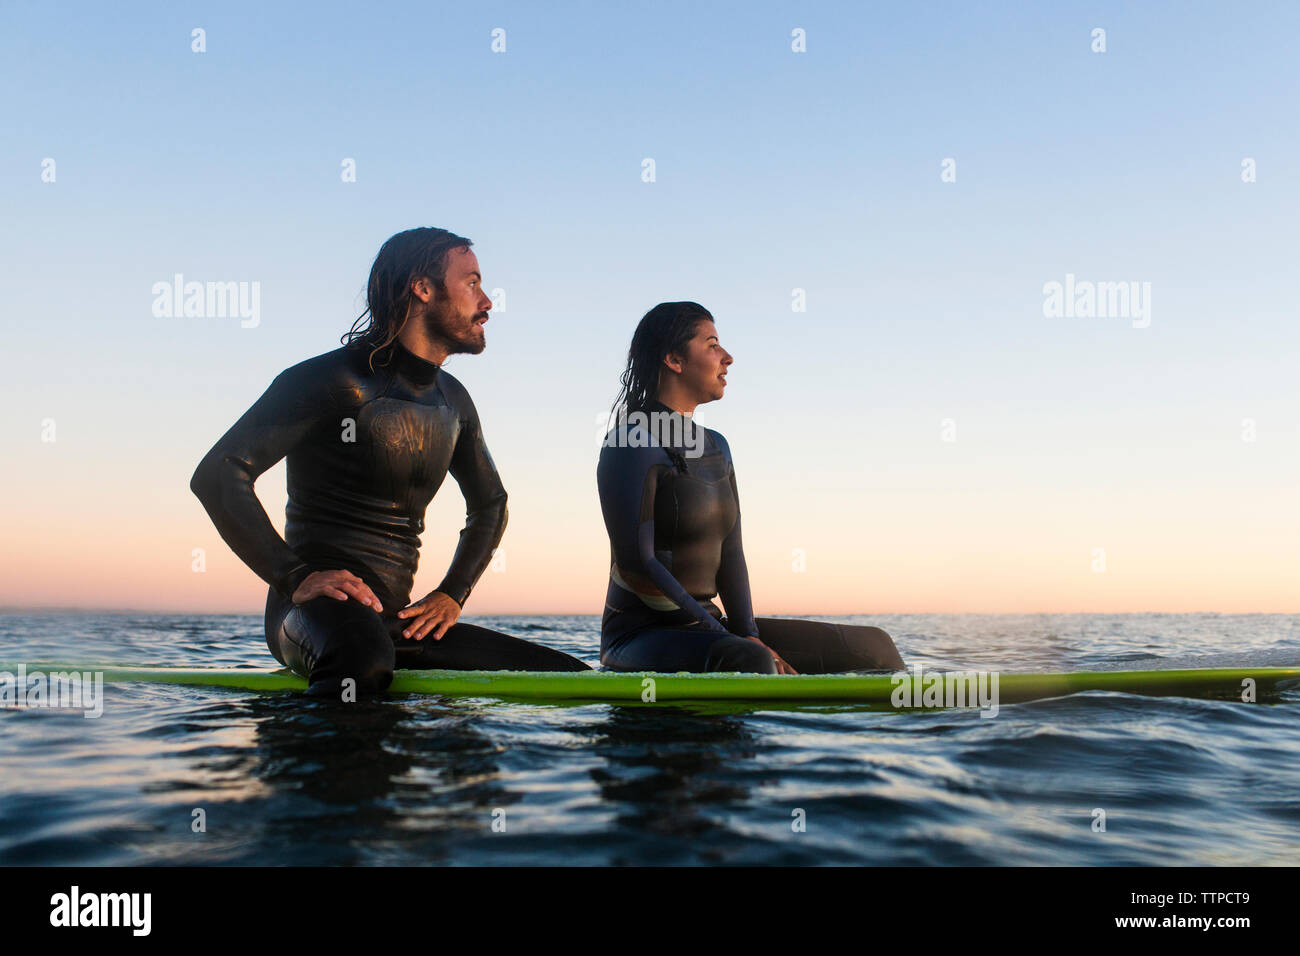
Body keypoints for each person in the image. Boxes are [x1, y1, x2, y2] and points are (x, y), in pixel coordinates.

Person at [191, 227, 590, 697]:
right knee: (360, 662)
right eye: (472, 283)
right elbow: (219, 472)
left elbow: (491, 505)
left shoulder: (454, 403)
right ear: (423, 289)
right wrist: (294, 576)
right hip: (315, 615)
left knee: (574, 682)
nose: (487, 302)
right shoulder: (335, 380)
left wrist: (451, 595)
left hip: (397, 626)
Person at [597, 302, 905, 675]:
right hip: (639, 638)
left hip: (710, 631)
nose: (727, 358)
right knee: (749, 660)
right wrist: (740, 642)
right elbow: (637, 566)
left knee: (873, 647)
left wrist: (748, 632)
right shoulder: (631, 443)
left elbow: (731, 551)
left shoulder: (716, 446)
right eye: (712, 345)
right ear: (674, 360)